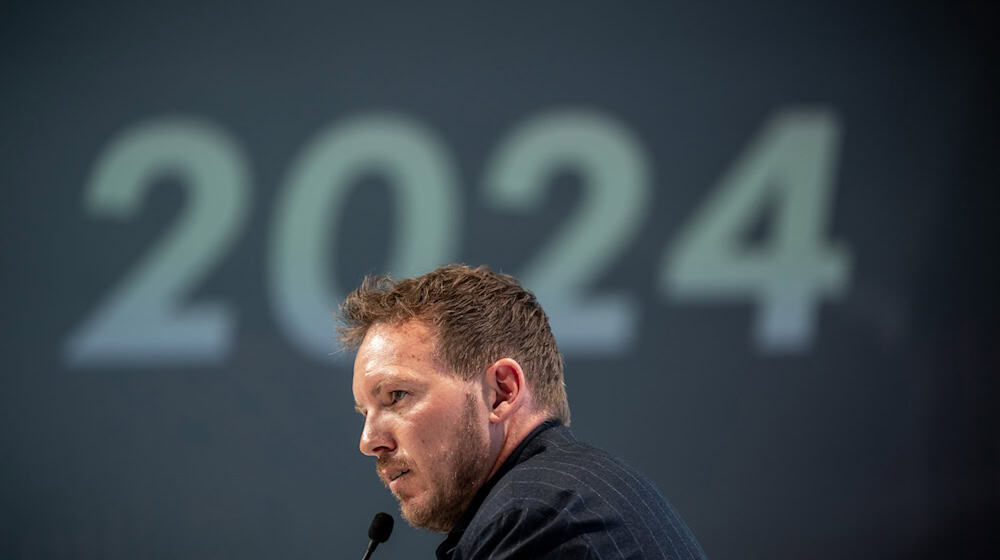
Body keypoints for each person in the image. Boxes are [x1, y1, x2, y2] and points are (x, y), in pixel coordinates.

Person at [341, 264, 707, 559]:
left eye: (396, 395)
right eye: (365, 412)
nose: (369, 441)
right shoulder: (569, 491)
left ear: (501, 392)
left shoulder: (537, 515)